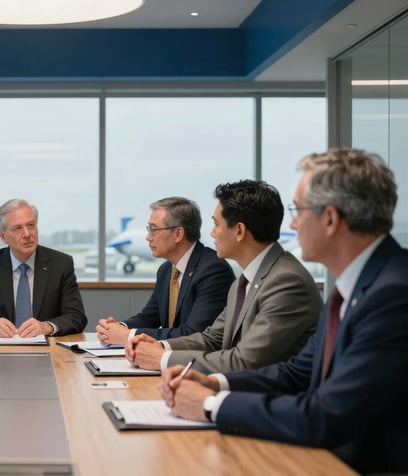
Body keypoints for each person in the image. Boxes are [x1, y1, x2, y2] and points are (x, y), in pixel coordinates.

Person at [160, 148, 408, 474]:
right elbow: (295, 373)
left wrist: (210, 405)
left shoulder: (393, 294)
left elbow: (325, 415)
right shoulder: (358, 285)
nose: (291, 222)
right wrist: (214, 383)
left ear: (330, 219)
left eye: (298, 210)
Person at [126, 180, 321, 373]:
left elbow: (244, 362)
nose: (211, 233)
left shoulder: (286, 282)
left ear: (239, 231)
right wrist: (161, 347)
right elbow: (212, 339)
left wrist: (163, 358)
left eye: (216, 224)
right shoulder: (243, 282)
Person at [96, 197, 234, 346]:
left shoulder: (213, 270)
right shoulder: (166, 270)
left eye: (154, 229)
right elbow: (149, 317)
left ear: (178, 234)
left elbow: (193, 334)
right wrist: (117, 329)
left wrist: (128, 336)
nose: (148, 237)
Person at [0, 199, 87, 337]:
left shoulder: (61, 264)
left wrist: (47, 326)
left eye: (31, 225)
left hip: (49, 348)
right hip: (0, 349)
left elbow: (76, 316)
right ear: (3, 236)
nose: (27, 234)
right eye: (17, 228)